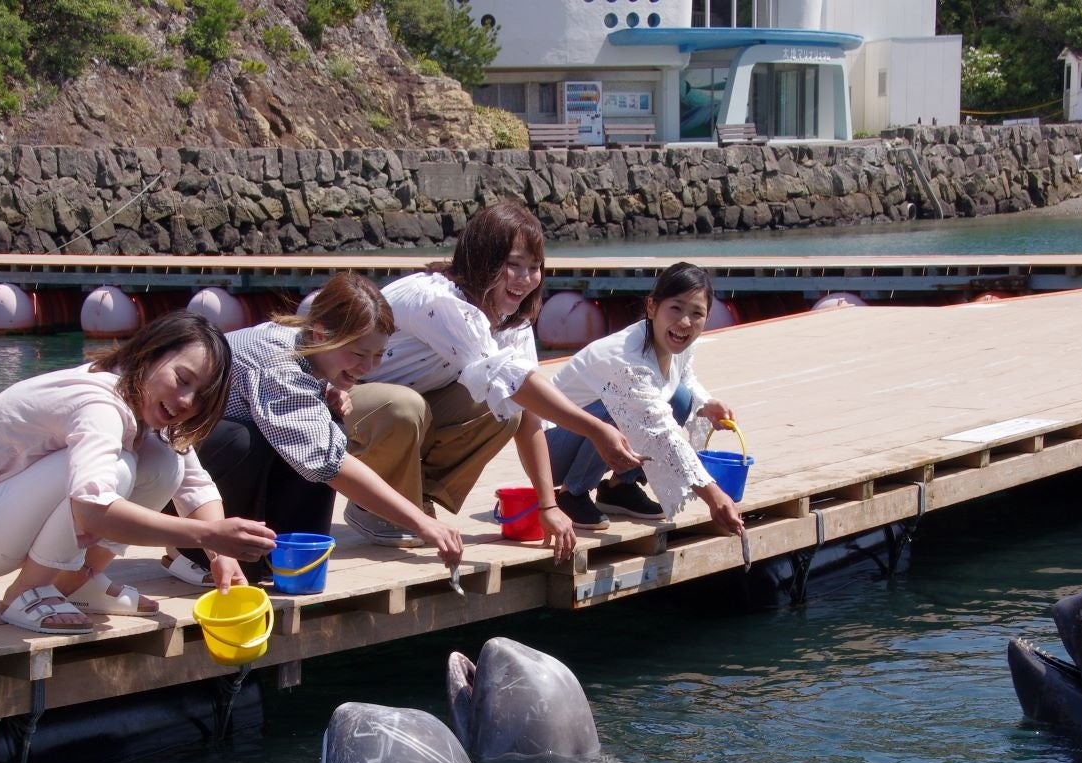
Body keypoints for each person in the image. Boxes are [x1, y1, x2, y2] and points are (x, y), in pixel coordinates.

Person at [0, 311, 277, 635]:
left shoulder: (140, 400)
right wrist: (207, 535)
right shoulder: (99, 404)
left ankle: (76, 580)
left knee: (165, 464)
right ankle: (27, 591)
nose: (186, 401)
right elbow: (91, 508)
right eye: (182, 379)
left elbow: (194, 485)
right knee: (116, 470)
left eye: (200, 397)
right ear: (149, 354)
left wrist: (221, 556)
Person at [342, 201, 644, 562]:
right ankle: (371, 506)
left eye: (534, 268)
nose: (526, 278)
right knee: (406, 406)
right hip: (336, 402)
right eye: (513, 265)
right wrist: (596, 429)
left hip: (399, 411)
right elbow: (513, 381)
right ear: (481, 260)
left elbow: (525, 405)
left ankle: (412, 496)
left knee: (504, 409)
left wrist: (547, 504)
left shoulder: (510, 321)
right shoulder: (437, 301)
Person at [161, 271, 464, 584]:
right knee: (244, 440)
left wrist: (324, 392)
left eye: (378, 354)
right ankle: (188, 552)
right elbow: (331, 466)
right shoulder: (278, 363)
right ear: (320, 334)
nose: (368, 367)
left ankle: (282, 551)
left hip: (222, 464)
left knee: (328, 427)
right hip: (176, 475)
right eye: (359, 353)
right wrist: (420, 521)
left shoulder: (309, 352)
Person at [545, 262, 745, 536]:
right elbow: (662, 433)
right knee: (619, 406)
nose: (685, 322)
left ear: (707, 318)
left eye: (696, 313)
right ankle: (571, 493)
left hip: (586, 434)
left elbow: (683, 379)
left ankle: (619, 488)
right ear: (652, 307)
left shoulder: (676, 343)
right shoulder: (625, 358)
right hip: (550, 447)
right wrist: (714, 496)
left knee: (682, 398)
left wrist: (705, 404)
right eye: (675, 308)